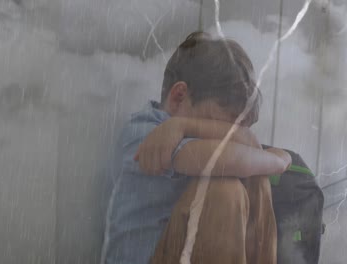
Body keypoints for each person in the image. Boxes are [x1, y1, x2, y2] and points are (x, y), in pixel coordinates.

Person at [101, 31, 292, 264]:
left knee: (255, 175)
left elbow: (259, 153)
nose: (223, 136)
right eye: (216, 125)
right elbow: (229, 160)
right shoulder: (144, 132)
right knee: (225, 190)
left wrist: (186, 124)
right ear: (179, 97)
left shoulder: (181, 128)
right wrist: (265, 154)